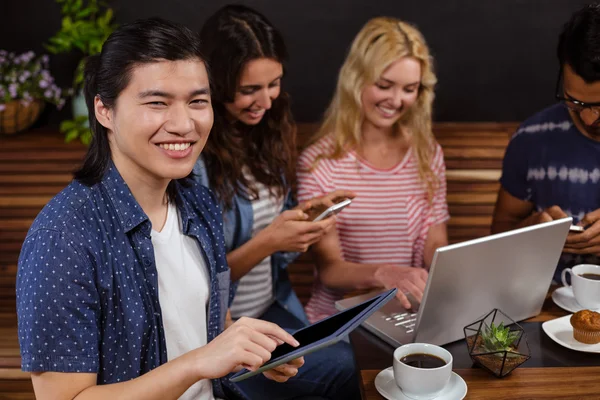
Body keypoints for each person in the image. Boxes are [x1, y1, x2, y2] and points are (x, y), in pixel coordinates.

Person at [16, 17, 307, 400]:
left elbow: (214, 321)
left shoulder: (200, 203)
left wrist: (245, 349)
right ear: (104, 110)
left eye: (197, 102)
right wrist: (200, 361)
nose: (184, 124)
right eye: (157, 103)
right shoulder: (63, 239)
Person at [193, 5, 360, 399]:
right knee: (341, 365)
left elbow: (274, 227)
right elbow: (197, 281)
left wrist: (306, 216)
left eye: (274, 84)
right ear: (215, 83)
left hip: (273, 306)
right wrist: (271, 240)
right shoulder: (195, 156)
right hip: (222, 329)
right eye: (249, 90)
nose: (265, 100)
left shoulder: (268, 129)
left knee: (345, 353)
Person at [297, 17, 450, 323]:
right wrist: (384, 273)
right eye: (384, 85)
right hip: (341, 321)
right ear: (356, 79)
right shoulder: (320, 163)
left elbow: (434, 244)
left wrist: (455, 272)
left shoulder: (427, 152)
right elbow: (330, 270)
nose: (396, 100)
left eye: (409, 89)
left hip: (406, 314)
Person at [491, 2, 600, 283]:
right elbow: (497, 240)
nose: (588, 118)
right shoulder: (532, 139)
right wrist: (533, 232)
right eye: (574, 101)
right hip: (548, 310)